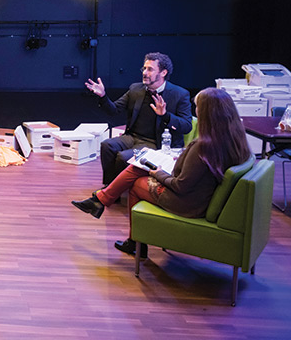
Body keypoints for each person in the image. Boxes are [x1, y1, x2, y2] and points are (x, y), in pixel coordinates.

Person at [71, 87, 251, 258]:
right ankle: (102, 201)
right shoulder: (235, 139)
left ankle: (130, 237)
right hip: (202, 196)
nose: (196, 112)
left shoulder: (202, 146)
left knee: (135, 181)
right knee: (139, 167)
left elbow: (181, 185)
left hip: (188, 203)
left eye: (198, 108)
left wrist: (158, 173)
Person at [85, 52, 193, 185]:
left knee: (123, 157)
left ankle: (114, 190)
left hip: (156, 142)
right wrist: (103, 96)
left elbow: (187, 126)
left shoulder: (179, 94)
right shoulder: (136, 89)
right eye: (144, 68)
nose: (145, 72)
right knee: (107, 145)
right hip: (132, 137)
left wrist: (165, 115)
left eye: (150, 69)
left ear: (163, 73)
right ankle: (109, 187)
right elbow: (114, 110)